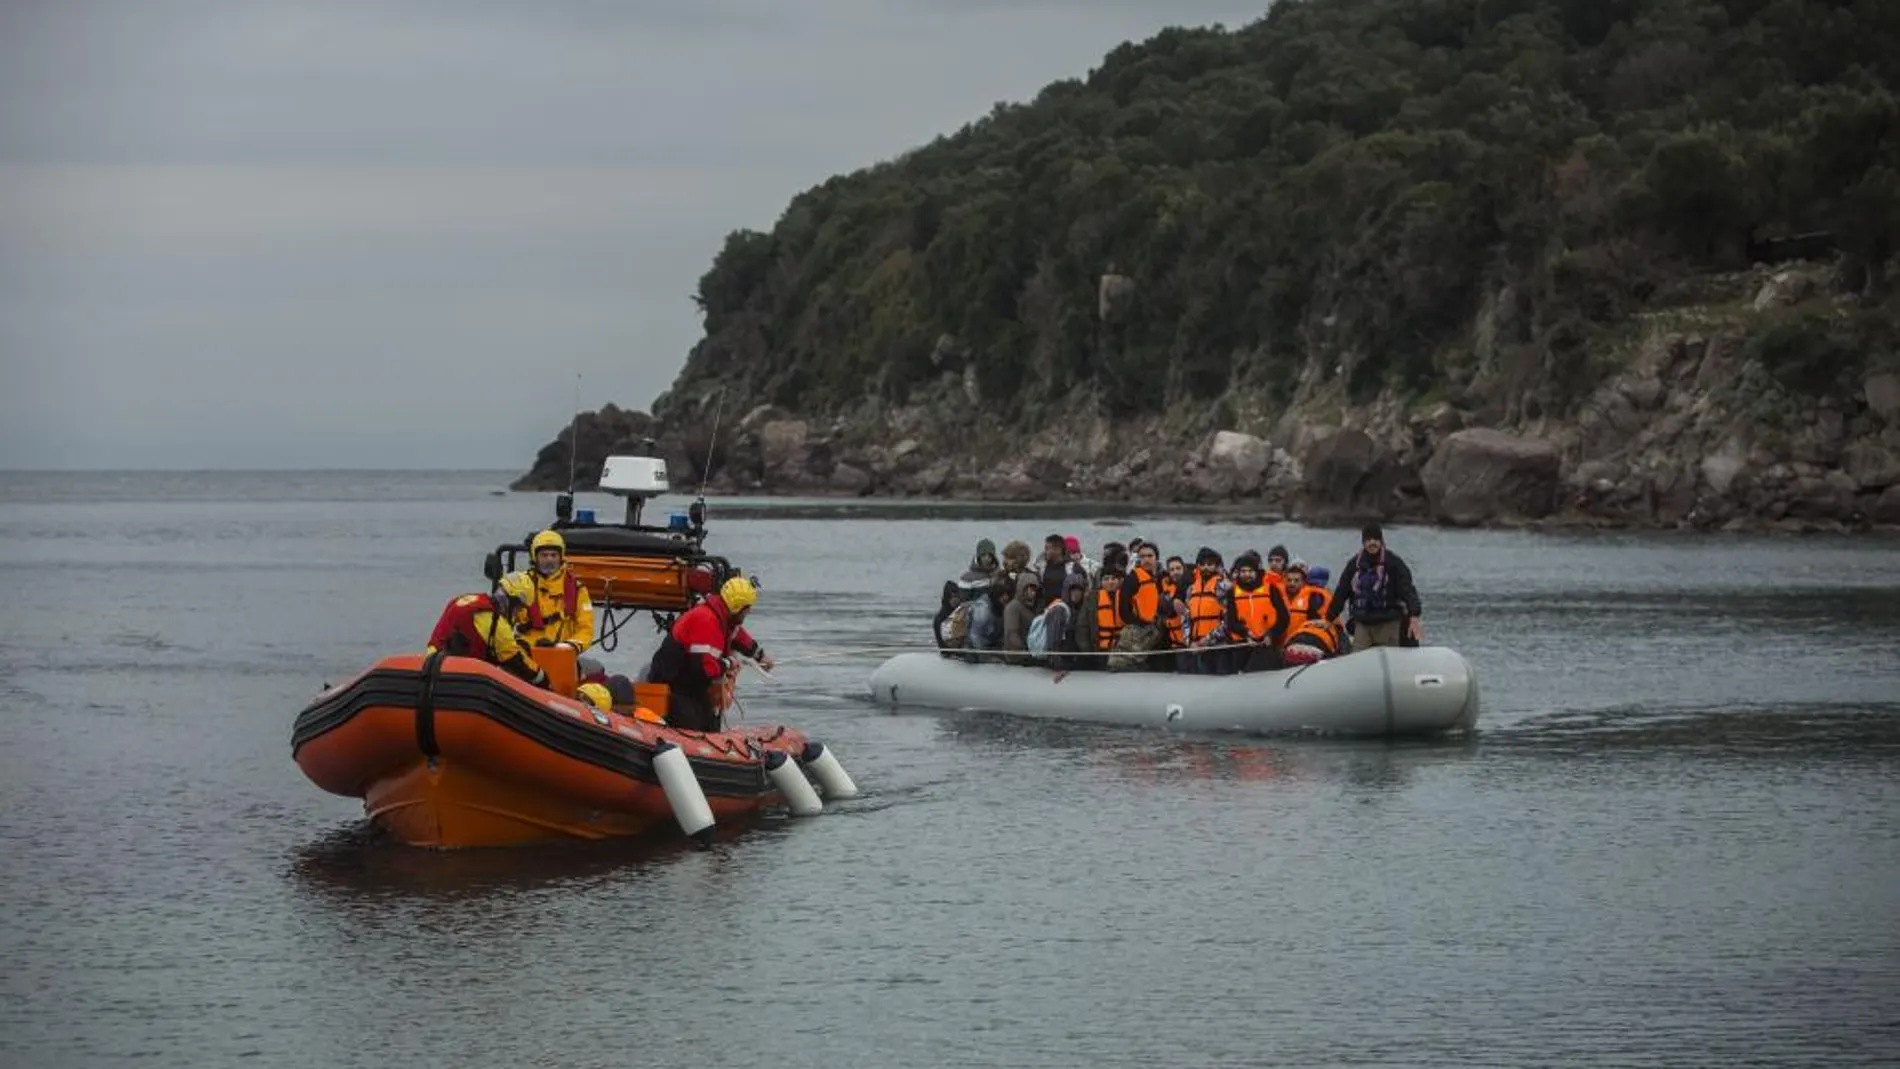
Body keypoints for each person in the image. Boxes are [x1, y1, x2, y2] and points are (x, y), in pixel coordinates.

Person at [645, 576, 773, 732]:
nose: (749, 612)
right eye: (747, 608)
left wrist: (760, 656)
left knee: (710, 721)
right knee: (691, 725)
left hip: (692, 685)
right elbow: (704, 668)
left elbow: (740, 637)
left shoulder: (724, 617)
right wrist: (729, 663)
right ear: (738, 607)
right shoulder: (707, 621)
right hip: (674, 685)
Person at [425, 572, 548, 687]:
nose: (517, 614)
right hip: (458, 680)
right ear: (514, 602)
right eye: (518, 609)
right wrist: (543, 680)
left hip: (430, 668)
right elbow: (518, 662)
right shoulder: (498, 625)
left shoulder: (462, 600)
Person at [1326, 523, 1423, 650]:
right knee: (1358, 656)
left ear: (1381, 541)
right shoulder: (1354, 565)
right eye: (1368, 540)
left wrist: (1414, 613)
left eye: (1376, 539)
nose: (1372, 543)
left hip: (1388, 621)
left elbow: (1407, 590)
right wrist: (1329, 618)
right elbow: (1342, 592)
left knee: (1390, 656)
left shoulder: (1394, 563)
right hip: (1363, 623)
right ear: (1363, 542)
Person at [515, 530, 596, 652]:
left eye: (553, 555)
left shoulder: (577, 590)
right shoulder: (520, 586)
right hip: (525, 653)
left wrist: (569, 645)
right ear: (535, 557)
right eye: (544, 555)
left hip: (561, 654)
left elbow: (585, 629)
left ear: (561, 557)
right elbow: (503, 622)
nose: (549, 560)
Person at [1224, 550, 1291, 672]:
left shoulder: (1271, 590)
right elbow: (1231, 622)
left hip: (1267, 643)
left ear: (1257, 572)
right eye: (1243, 571)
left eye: (1250, 571)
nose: (1246, 574)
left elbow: (1284, 618)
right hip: (1244, 643)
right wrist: (1246, 634)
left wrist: (1271, 635)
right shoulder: (1232, 593)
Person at [1179, 547, 1231, 674]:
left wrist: (1207, 640)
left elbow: (1229, 620)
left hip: (1218, 647)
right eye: (1202, 564)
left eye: (1210, 564)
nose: (1205, 567)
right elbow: (1185, 618)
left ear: (1217, 566)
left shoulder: (1224, 587)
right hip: (1195, 647)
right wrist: (1189, 642)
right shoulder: (1191, 589)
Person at [1001, 571, 1042, 666]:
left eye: (1034, 590)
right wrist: (1025, 652)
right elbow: (1011, 633)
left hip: (1031, 652)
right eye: (1029, 589)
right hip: (1017, 656)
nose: (1032, 593)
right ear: (1021, 588)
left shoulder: (1034, 607)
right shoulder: (1013, 607)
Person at [1281, 559, 1332, 635]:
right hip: (1285, 642)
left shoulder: (1313, 598)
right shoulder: (1279, 597)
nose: (1292, 583)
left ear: (1303, 582)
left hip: (1304, 641)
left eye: (1296, 580)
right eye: (1289, 580)